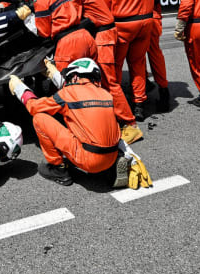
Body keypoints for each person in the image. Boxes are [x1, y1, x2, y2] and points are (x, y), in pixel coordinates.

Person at [47, 0, 135, 130]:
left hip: (103, 35)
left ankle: (129, 124)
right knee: (101, 80)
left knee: (109, 81)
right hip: (100, 34)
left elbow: (72, 19)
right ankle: (109, 117)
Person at [8, 58, 120, 186]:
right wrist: (53, 73)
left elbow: (34, 107)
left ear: (76, 77)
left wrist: (20, 89)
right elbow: (74, 91)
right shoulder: (106, 95)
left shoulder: (69, 93)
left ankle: (58, 168)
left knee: (39, 118)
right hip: (111, 156)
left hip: (89, 160)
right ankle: (110, 167)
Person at [99, 0, 169, 131]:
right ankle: (140, 105)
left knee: (116, 67)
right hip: (146, 23)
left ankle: (119, 107)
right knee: (138, 65)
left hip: (122, 25)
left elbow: (103, 6)